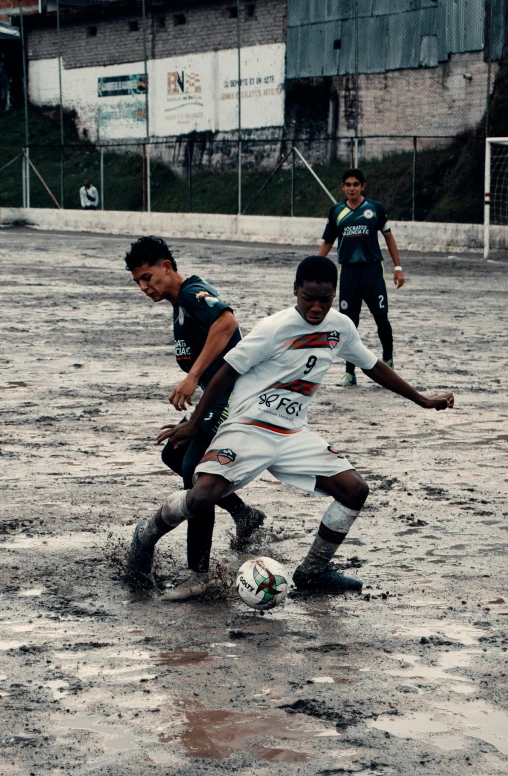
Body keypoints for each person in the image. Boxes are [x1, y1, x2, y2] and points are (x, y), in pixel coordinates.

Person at [128, 255, 453, 598]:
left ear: (334, 294)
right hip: (248, 426)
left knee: (355, 490)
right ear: (296, 290)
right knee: (202, 495)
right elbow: (226, 373)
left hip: (293, 432)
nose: (316, 307)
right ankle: (146, 534)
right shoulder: (274, 328)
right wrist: (195, 424)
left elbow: (372, 365)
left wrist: (421, 399)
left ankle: (314, 570)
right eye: (308, 298)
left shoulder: (340, 326)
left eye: (325, 299)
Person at [124, 236, 264, 600]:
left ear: (167, 267)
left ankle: (198, 575)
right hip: (216, 399)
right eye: (138, 281)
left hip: (235, 397)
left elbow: (227, 323)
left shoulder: (191, 293)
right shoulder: (178, 304)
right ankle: (244, 514)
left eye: (148, 276)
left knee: (194, 474)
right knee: (173, 454)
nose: (144, 287)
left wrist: (191, 377)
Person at [319, 168, 404, 387]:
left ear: (363, 186)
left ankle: (389, 363)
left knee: (382, 320)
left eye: (356, 184)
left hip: (372, 272)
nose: (352, 188)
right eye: (347, 185)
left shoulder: (375, 209)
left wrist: (398, 267)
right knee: (349, 324)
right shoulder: (336, 211)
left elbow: (389, 237)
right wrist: (315, 267)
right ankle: (349, 373)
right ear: (342, 187)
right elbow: (328, 242)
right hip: (348, 273)